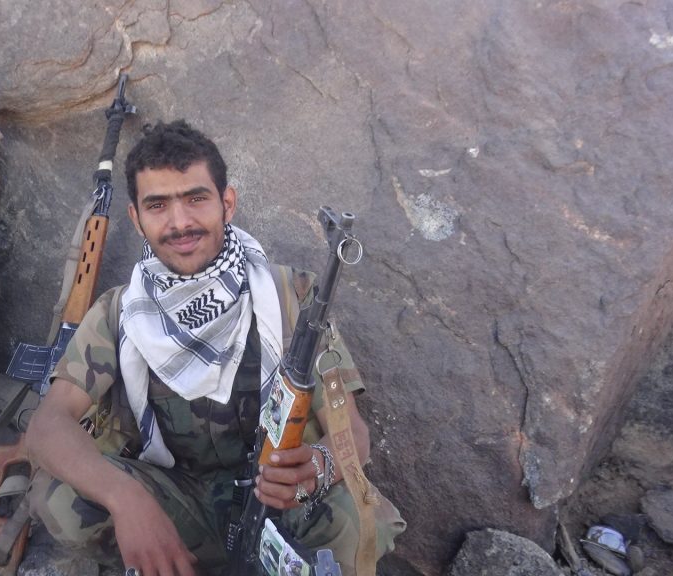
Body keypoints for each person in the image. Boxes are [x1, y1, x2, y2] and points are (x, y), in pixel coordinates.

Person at [25, 120, 405, 575]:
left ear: (227, 203)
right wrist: (126, 499)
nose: (180, 222)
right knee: (60, 498)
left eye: (196, 198)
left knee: (360, 524)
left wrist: (318, 467)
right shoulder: (119, 313)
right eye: (158, 205)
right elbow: (47, 425)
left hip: (279, 499)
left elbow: (352, 433)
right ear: (136, 219)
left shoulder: (291, 297)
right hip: (176, 500)